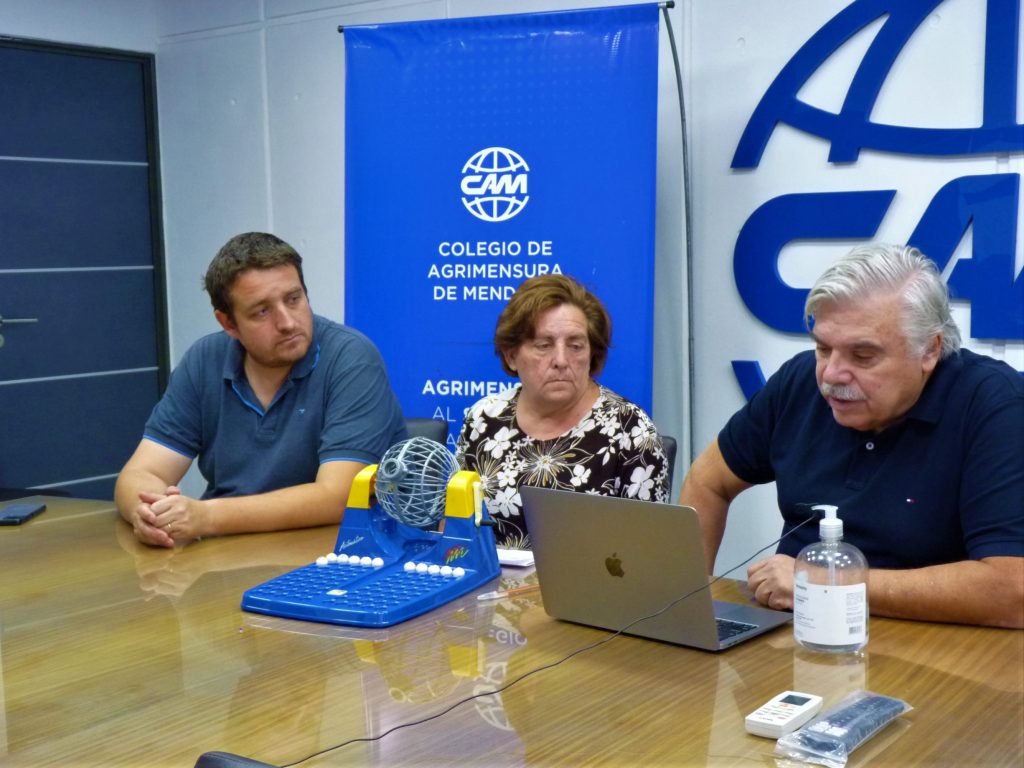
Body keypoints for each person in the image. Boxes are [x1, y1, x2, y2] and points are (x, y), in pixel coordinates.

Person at [679, 244, 1024, 628]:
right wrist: (688, 607)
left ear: (929, 350)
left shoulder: (996, 407)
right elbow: (708, 480)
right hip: (790, 636)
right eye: (824, 349)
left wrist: (829, 583)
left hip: (933, 654)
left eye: (863, 356)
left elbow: (1012, 590)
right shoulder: (797, 383)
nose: (831, 376)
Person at [116, 232, 406, 547]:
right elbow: (139, 473)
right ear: (228, 323)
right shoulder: (204, 360)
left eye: (294, 299)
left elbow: (337, 497)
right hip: (225, 554)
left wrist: (205, 516)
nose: (287, 322)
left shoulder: (351, 358)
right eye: (262, 312)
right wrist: (150, 513)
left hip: (330, 553)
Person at [456, 274, 668, 548]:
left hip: (589, 589)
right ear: (511, 355)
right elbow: (456, 528)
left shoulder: (631, 431)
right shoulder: (483, 419)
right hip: (488, 588)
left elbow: (647, 551)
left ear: (592, 354)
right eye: (543, 345)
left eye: (575, 345)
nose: (560, 360)